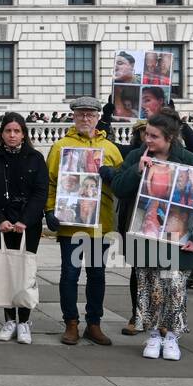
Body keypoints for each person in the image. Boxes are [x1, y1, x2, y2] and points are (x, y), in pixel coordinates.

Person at [109, 110, 193, 358]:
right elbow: (119, 188)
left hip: (177, 237)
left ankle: (172, 336)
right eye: (147, 135)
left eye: (154, 136)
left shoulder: (189, 160)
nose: (148, 140)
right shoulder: (136, 156)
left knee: (174, 287)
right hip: (146, 234)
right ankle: (153, 335)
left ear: (170, 137)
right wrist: (136, 171)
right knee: (148, 287)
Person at [47, 97, 123, 346]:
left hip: (100, 224)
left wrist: (112, 176)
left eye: (90, 114)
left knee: (97, 275)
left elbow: (122, 184)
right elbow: (50, 183)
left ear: (98, 117)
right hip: (71, 225)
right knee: (69, 275)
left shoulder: (110, 149)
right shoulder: (60, 147)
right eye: (81, 114)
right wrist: (49, 210)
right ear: (73, 117)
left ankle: (94, 323)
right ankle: (71, 322)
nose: (85, 119)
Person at [0, 112, 47, 344]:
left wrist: (26, 220)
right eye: (8, 131)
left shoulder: (35, 158)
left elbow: (40, 192)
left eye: (17, 131)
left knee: (25, 272)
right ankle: (9, 319)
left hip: (26, 224)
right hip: (0, 223)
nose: (12, 135)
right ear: (1, 134)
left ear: (23, 134)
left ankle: (24, 321)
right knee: (5, 270)